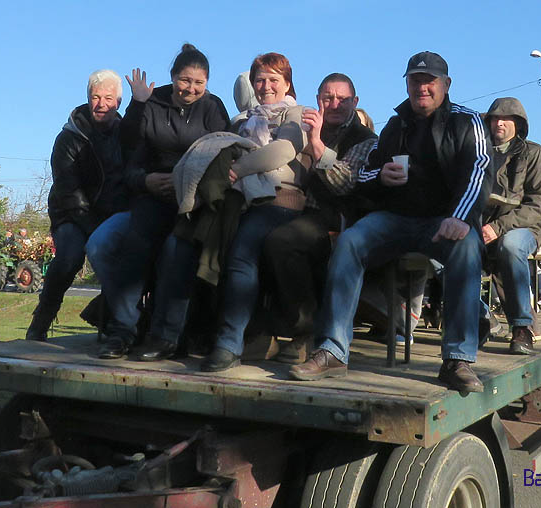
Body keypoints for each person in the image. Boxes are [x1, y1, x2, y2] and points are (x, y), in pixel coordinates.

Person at [288, 51, 495, 393]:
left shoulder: (466, 121)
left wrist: (459, 218)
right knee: (351, 241)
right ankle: (332, 350)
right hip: (396, 218)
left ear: (446, 84)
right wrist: (382, 175)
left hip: (443, 221)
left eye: (429, 81)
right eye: (415, 80)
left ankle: (458, 359)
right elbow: (364, 174)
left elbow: (479, 170)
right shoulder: (395, 125)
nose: (422, 87)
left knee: (467, 248)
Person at [138, 52, 309, 369]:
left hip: (276, 199)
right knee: (179, 242)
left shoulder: (296, 115)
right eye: (260, 79)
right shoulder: (242, 120)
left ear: (287, 84)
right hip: (231, 198)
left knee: (242, 248)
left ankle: (229, 345)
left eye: (274, 79)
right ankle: (166, 336)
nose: (266, 85)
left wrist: (238, 169)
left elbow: (284, 150)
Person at [87, 44, 230, 359]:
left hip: (192, 199)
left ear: (207, 83)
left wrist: (194, 187)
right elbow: (130, 155)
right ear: (173, 77)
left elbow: (222, 154)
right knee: (135, 243)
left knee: (176, 250)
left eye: (198, 83)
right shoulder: (151, 103)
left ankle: (165, 336)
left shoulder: (213, 109)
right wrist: (146, 181)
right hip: (153, 191)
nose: (190, 89)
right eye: (184, 80)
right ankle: (123, 329)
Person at [259, 73, 378, 363]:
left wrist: (317, 144)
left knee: (283, 242)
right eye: (328, 98)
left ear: (355, 102)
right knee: (247, 233)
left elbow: (344, 184)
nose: (335, 104)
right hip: (290, 206)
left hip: (337, 217)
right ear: (318, 100)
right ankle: (255, 331)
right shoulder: (304, 124)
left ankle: (306, 330)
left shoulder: (367, 140)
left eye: (342, 99)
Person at [25, 70, 129, 341]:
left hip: (111, 214)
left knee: (126, 257)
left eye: (108, 97)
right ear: (87, 98)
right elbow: (69, 192)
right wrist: (96, 230)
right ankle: (41, 319)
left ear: (118, 102)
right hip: (71, 214)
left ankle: (108, 320)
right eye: (96, 97)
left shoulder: (127, 136)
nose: (102, 103)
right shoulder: (69, 138)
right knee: (70, 256)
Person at [481, 97, 541, 355]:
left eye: (506, 118)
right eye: (494, 118)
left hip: (525, 226)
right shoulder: (478, 152)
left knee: (510, 246)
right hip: (482, 224)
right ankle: (481, 316)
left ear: (518, 124)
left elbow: (540, 204)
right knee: (446, 245)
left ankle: (522, 328)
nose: (499, 122)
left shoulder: (535, 154)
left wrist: (499, 227)